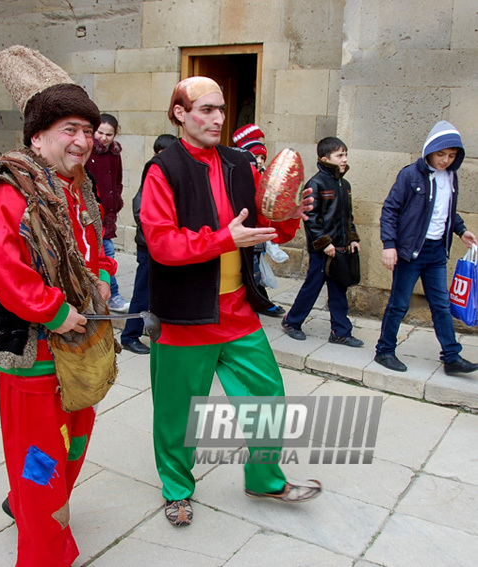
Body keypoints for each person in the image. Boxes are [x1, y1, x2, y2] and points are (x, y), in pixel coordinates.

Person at [141, 76, 320, 528]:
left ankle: (264, 478)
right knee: (178, 413)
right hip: (183, 314)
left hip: (237, 309)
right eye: (205, 109)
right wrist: (225, 238)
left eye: (221, 109)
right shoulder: (163, 168)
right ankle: (177, 489)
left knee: (268, 395)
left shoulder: (241, 163)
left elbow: (266, 226)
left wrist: (287, 216)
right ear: (180, 113)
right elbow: (161, 244)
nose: (218, 118)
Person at [0, 45, 116, 567]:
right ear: (37, 136)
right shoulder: (10, 187)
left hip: (80, 344)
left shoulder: (79, 188)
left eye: (86, 130)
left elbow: (98, 246)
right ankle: (43, 553)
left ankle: (31, 507)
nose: (82, 140)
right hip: (34, 351)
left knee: (74, 444)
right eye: (68, 130)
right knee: (41, 461)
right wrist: (54, 310)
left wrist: (100, 277)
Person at [375, 120, 478, 375]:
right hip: (410, 252)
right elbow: (390, 210)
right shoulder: (410, 174)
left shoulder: (451, 177)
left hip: (436, 253)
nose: (445, 160)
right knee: (399, 304)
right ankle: (384, 351)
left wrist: (462, 230)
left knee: (441, 305)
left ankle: (452, 357)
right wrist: (389, 245)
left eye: (452, 155)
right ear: (429, 150)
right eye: (441, 154)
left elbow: (448, 212)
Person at [281, 137, 363, 346]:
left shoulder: (344, 185)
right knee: (312, 287)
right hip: (322, 250)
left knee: (338, 289)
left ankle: (340, 331)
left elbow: (348, 217)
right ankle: (292, 321)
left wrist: (352, 238)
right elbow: (311, 219)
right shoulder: (316, 183)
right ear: (325, 158)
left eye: (345, 154)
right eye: (339, 155)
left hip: (340, 249)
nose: (344, 159)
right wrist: (325, 243)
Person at [120, 133, 178, 355]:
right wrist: (156, 234)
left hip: (167, 247)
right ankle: (129, 335)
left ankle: (160, 335)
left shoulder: (173, 173)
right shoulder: (152, 171)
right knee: (143, 293)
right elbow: (140, 209)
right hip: (149, 247)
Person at [231, 124, 286, 318]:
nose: (260, 161)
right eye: (256, 156)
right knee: (250, 273)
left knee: (255, 273)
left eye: (263, 156)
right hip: (244, 237)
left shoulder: (263, 177)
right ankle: (256, 304)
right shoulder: (237, 176)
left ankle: (258, 302)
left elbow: (268, 215)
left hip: (257, 239)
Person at [86, 113, 129, 312]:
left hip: (108, 213)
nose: (103, 138)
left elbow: (118, 180)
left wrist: (116, 200)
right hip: (90, 211)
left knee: (106, 253)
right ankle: (112, 294)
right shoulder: (87, 150)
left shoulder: (115, 153)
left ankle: (109, 294)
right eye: (100, 133)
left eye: (108, 134)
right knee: (106, 253)